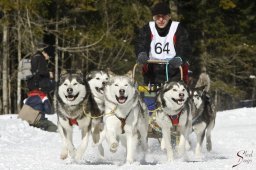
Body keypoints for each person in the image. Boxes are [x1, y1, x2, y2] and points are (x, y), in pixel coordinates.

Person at [134, 2, 191, 85]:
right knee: (148, 96)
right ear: (154, 18)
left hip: (174, 71)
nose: (161, 20)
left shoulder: (177, 28)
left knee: (175, 95)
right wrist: (141, 53)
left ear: (169, 17)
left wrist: (180, 58)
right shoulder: (148, 28)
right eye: (157, 17)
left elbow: (184, 46)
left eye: (164, 17)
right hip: (152, 72)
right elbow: (141, 43)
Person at [24, 45, 57, 132]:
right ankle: (39, 124)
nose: (48, 58)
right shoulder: (40, 58)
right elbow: (42, 72)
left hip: (32, 86)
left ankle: (30, 121)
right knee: (39, 105)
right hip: (37, 86)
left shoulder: (34, 56)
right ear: (46, 53)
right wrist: (49, 74)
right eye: (49, 56)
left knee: (34, 104)